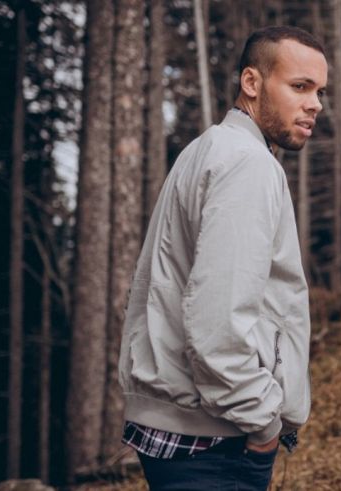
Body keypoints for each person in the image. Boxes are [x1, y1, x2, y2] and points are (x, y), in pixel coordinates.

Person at [117, 26, 327, 490]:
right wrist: (263, 424)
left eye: (319, 91)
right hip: (215, 437)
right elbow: (218, 321)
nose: (315, 104)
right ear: (251, 82)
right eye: (300, 86)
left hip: (183, 424)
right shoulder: (248, 164)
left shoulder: (207, 149)